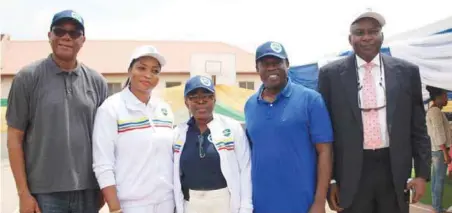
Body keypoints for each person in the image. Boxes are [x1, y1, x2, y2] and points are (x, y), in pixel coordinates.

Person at [318, 11, 431, 213]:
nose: (367, 37)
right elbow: (325, 132)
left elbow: (418, 127)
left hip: (393, 170)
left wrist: (422, 174)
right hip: (351, 174)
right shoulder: (330, 75)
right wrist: (331, 179)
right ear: (350, 38)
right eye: (359, 32)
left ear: (382, 36)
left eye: (373, 31)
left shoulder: (406, 72)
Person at [6, 9, 108, 213]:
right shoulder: (27, 78)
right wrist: (23, 194)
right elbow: (14, 138)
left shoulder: (97, 82)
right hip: (44, 194)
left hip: (88, 191)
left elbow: (105, 140)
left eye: (74, 33)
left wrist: (104, 188)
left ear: (83, 39)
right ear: (49, 36)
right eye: (59, 31)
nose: (66, 37)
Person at [244, 41, 333, 213]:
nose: (271, 68)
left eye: (277, 63)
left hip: (302, 203)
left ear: (287, 65)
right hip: (261, 204)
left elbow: (325, 151)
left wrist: (320, 201)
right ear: (257, 68)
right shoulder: (250, 105)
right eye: (265, 64)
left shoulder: (310, 100)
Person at [92, 45, 175, 213]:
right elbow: (103, 163)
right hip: (132, 205)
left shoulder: (164, 109)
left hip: (167, 202)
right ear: (130, 70)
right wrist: (114, 208)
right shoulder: (111, 108)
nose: (148, 75)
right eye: (141, 68)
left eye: (155, 70)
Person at [173, 75, 252, 213]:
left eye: (207, 96)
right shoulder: (178, 133)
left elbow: (245, 169)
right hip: (191, 204)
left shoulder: (232, 128)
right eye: (194, 97)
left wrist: (246, 207)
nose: (201, 101)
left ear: (214, 99)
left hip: (224, 203)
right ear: (186, 102)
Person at [425, 86, 451, 213]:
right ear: (438, 97)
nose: (447, 98)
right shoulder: (435, 112)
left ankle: (437, 206)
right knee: (439, 180)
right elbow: (439, 133)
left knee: (436, 179)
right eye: (445, 96)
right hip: (439, 151)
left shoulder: (434, 111)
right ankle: (438, 208)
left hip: (437, 151)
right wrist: (446, 154)